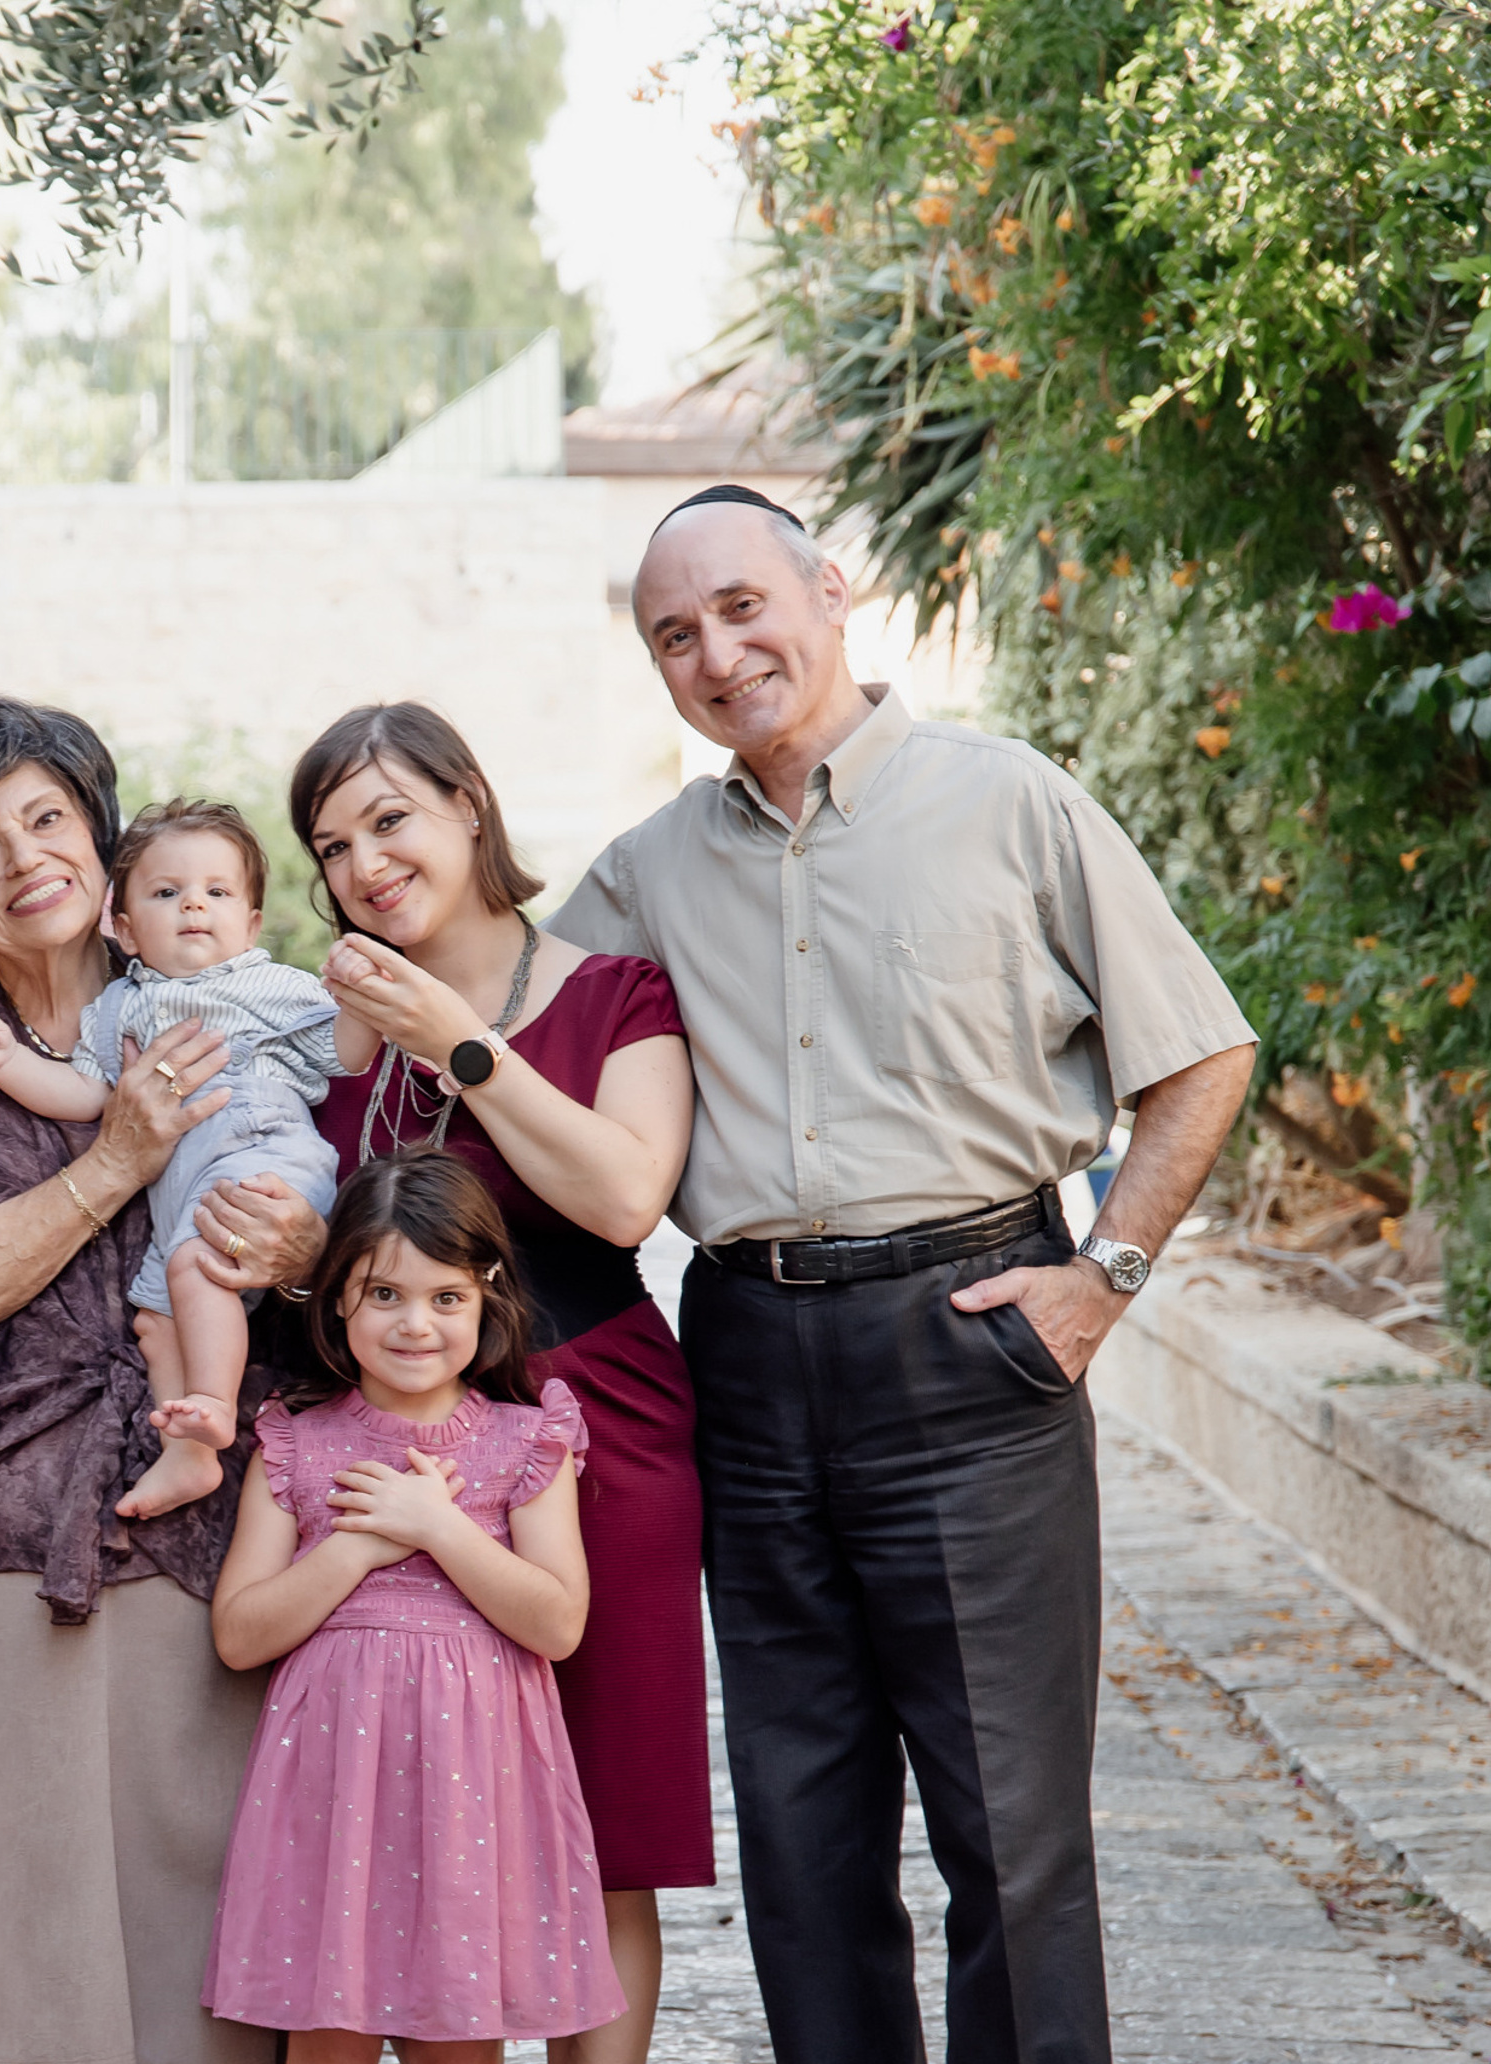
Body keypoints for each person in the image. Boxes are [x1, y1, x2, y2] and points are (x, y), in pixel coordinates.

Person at [550, 485, 1259, 2064]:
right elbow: (515, 1030)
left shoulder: (1008, 802)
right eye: (678, 634)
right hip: (745, 1354)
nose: (720, 653)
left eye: (744, 607)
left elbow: (1202, 1053)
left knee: (1010, 1838)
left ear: (830, 588)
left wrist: (1104, 1277)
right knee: (800, 1843)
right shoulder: (646, 873)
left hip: (973, 1346)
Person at [0, 700, 331, 2064]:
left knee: (207, 1936)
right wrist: (114, 1158)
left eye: (49, 821)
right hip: (13, 1516)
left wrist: (305, 1254)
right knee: (23, 1946)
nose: (25, 861)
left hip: (222, 1525)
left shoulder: (247, 1004)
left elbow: (348, 1242)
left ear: (104, 850)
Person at [287, 702, 708, 2064]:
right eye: (332, 844)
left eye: (391, 818)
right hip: (400, 1442)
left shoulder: (616, 994)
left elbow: (628, 1195)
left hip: (600, 1418)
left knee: (608, 1822)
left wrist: (461, 1041)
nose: (366, 862)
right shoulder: (338, 1032)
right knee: (414, 1808)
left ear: (471, 805)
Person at [204, 1149, 627, 2064]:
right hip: (330, 1789)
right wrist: (360, 1542)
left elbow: (557, 1623)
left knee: (459, 2038)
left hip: (476, 1787)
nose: (414, 1324)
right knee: (327, 2036)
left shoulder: (528, 1439)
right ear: (338, 1299)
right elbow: (239, 1635)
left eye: (446, 1299)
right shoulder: (297, 1441)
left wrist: (438, 1526)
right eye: (383, 1295)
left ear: (487, 1301)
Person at [0, 795, 347, 1517]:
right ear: (125, 927)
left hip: (260, 1155)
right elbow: (84, 1093)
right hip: (182, 1188)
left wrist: (357, 997)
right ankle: (190, 1453)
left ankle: (212, 1401)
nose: (193, 907)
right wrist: (10, 1062)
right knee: (156, 1317)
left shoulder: (270, 985)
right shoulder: (117, 1008)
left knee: (192, 1270)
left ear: (252, 924)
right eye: (167, 894)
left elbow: (343, 1052)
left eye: (217, 892)